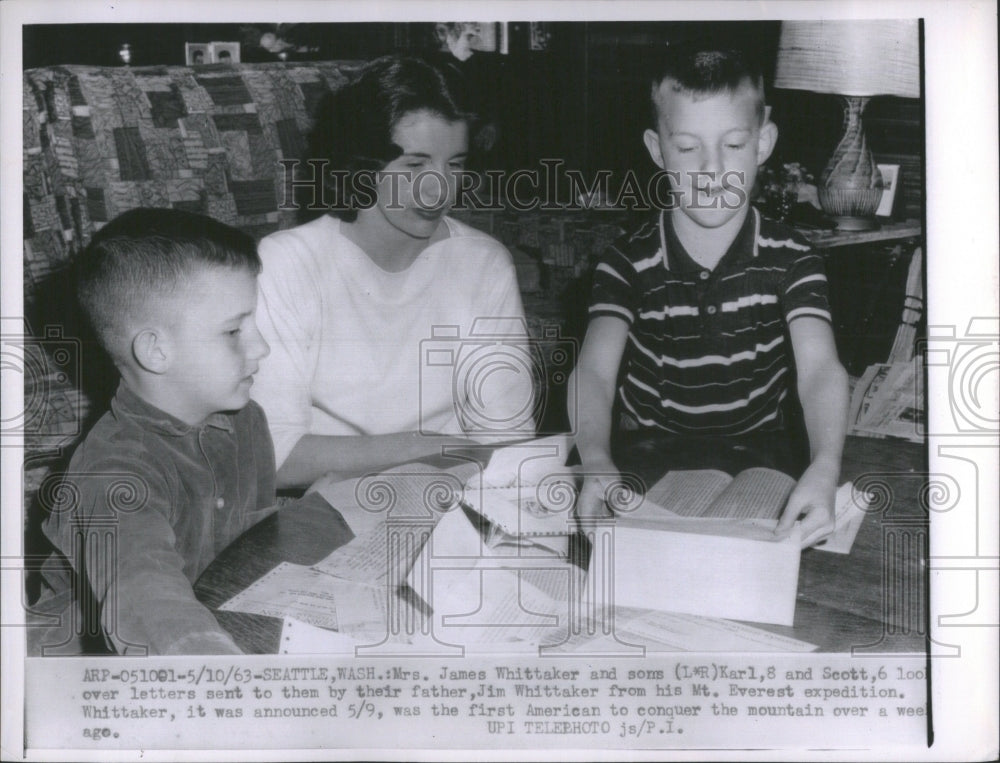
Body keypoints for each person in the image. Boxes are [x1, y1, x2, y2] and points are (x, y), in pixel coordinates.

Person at [570, 44, 848, 548]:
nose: (711, 169)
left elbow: (821, 370)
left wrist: (826, 465)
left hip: (759, 454)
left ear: (764, 143)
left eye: (734, 145)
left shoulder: (793, 257)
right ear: (657, 150)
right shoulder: (626, 261)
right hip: (645, 450)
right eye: (687, 147)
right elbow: (592, 370)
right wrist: (594, 457)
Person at [252, 55, 533, 490]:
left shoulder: (483, 263)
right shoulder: (285, 262)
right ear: (363, 164)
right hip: (324, 509)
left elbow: (508, 441)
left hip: (456, 502)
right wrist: (428, 447)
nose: (439, 187)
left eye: (454, 164)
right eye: (415, 165)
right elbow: (272, 456)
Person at [36, 208, 274, 655]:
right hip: (91, 670)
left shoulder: (247, 420)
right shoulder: (112, 472)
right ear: (155, 350)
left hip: (222, 615)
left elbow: (256, 544)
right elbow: (144, 594)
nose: (261, 347)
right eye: (233, 331)